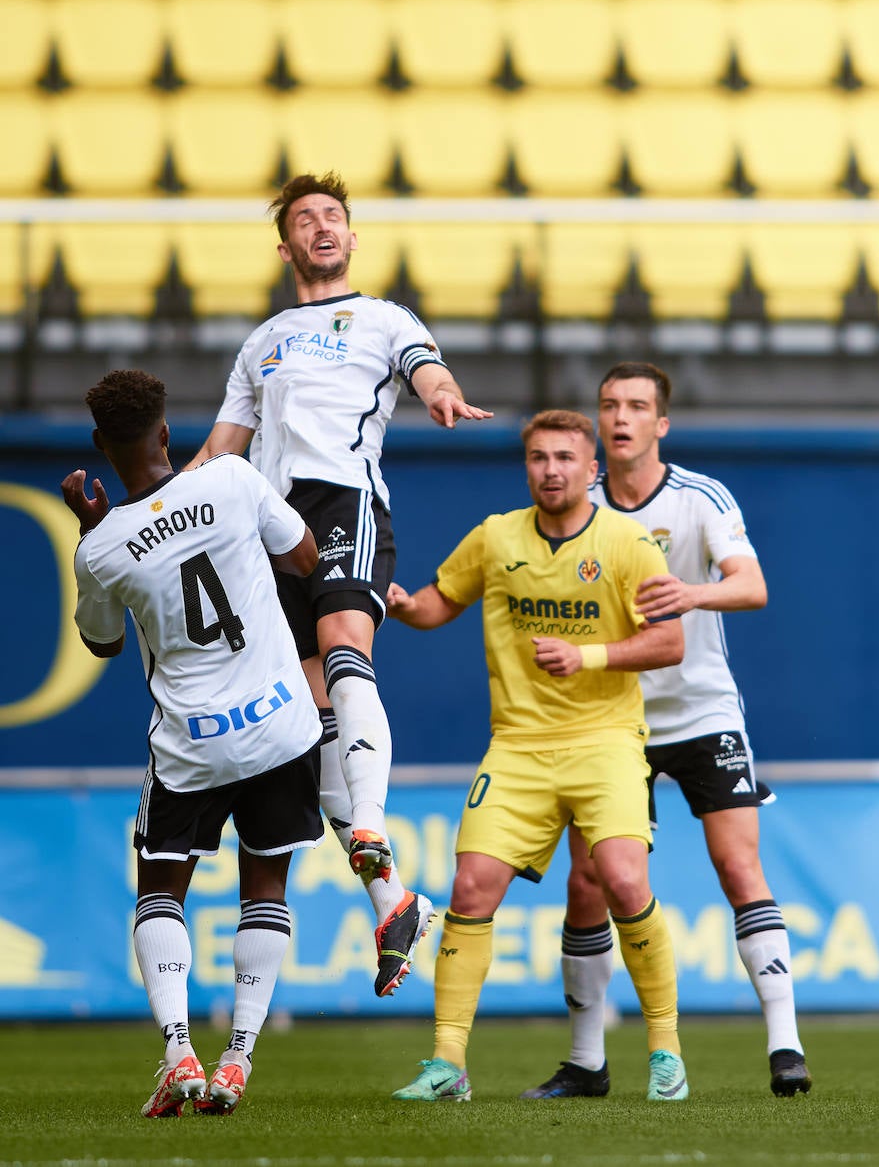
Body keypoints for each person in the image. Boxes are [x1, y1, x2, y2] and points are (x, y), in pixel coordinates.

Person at [188, 171, 492, 999]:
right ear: (285, 245)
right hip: (266, 527)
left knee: (345, 648)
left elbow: (426, 369)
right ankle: (391, 898)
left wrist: (444, 395)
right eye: (305, 220)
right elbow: (223, 447)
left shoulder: (385, 319)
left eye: (334, 217)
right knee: (308, 715)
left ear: (352, 238)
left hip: (344, 503)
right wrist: (159, 505)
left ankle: (369, 824)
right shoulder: (264, 342)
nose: (321, 227)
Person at [522, 363, 812, 1102]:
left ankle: (786, 1045)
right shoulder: (575, 507)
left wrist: (693, 592)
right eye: (610, 405)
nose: (621, 417)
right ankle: (588, 1062)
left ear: (661, 425)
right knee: (588, 883)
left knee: (738, 868)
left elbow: (754, 585)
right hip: (611, 719)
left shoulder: (698, 497)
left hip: (703, 709)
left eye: (637, 406)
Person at [385, 409, 689, 1103]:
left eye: (564, 458)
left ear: (593, 470)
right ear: (527, 467)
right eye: (539, 458)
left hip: (606, 741)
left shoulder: (628, 542)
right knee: (469, 890)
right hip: (519, 747)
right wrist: (406, 607)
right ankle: (448, 1064)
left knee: (622, 880)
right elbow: (442, 600)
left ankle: (665, 1049)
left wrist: (585, 655)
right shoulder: (497, 537)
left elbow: (669, 642)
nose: (550, 470)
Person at [61, 369, 324, 1119]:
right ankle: (238, 1059)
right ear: (167, 433)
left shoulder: (102, 548)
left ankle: (180, 1052)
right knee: (264, 890)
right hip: (279, 726)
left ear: (100, 447)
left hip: (194, 745)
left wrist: (93, 529)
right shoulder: (235, 481)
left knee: (160, 888)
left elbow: (101, 642)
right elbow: (305, 556)